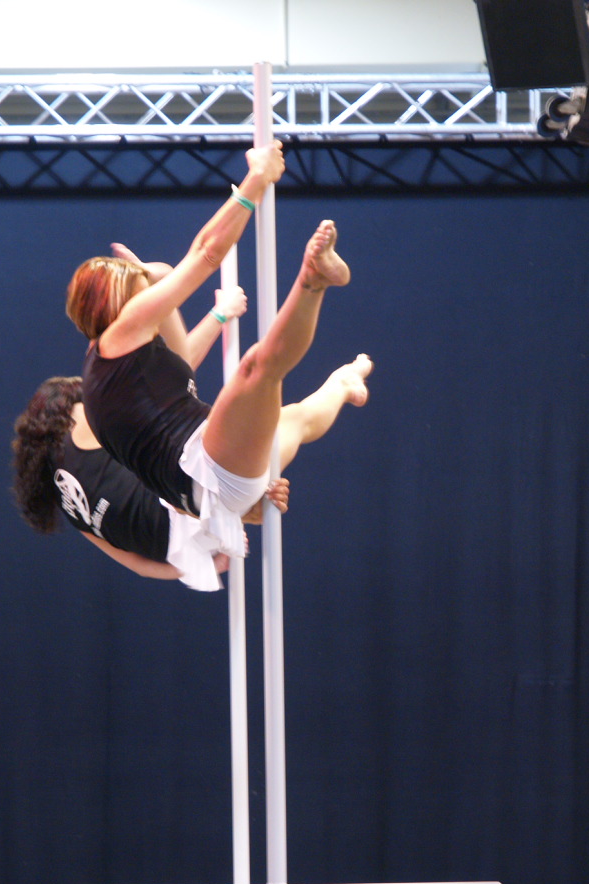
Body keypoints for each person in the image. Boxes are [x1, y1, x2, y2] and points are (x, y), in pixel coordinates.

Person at [65, 140, 369, 566]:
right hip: (208, 468)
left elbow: (179, 341)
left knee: (298, 419)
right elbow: (206, 253)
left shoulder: (113, 373)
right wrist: (256, 179)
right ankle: (312, 280)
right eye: (140, 288)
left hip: (212, 487)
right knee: (255, 369)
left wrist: (172, 287)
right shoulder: (121, 334)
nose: (151, 292)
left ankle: (343, 383)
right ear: (119, 303)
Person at [12, 359, 366, 589]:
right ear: (68, 406)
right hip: (183, 499)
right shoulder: (82, 422)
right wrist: (218, 315)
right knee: (293, 418)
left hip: (186, 541)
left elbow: (137, 565)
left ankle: (241, 507)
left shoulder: (68, 505)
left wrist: (203, 565)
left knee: (280, 427)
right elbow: (165, 383)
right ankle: (342, 385)